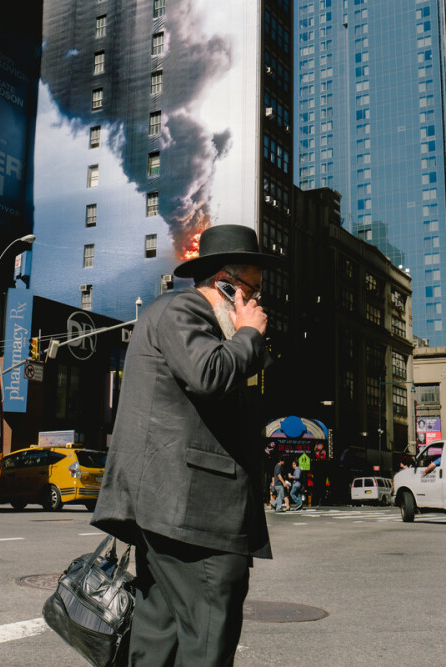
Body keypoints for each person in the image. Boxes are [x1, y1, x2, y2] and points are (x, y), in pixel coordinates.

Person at [92, 224, 281, 666]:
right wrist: (248, 332)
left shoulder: (196, 321)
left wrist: (243, 335)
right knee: (208, 636)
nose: (257, 303)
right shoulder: (184, 311)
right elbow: (210, 375)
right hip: (193, 513)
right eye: (251, 290)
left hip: (174, 511)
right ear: (226, 285)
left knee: (162, 634)